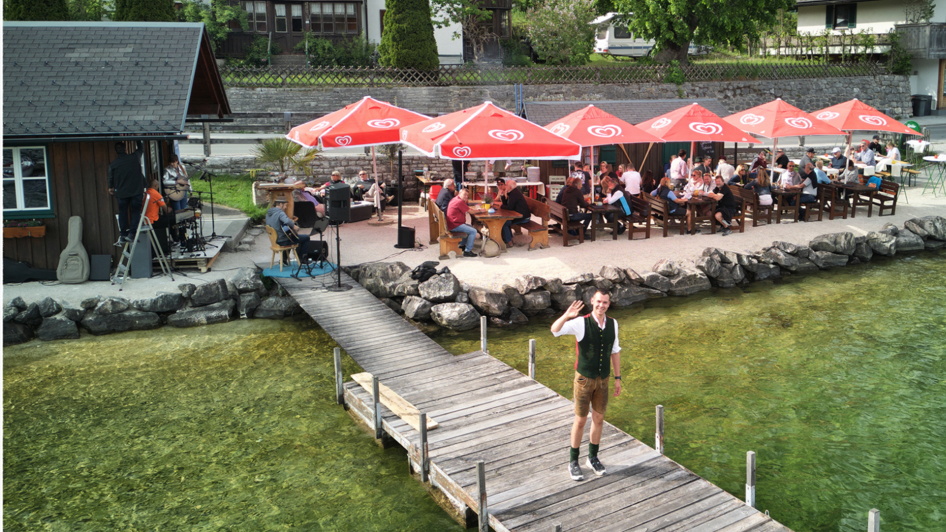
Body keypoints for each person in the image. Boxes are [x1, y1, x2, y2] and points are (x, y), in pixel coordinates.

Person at [550, 291, 621, 481]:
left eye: (605, 302)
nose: (601, 305)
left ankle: (593, 458)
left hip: (604, 379)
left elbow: (615, 351)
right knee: (580, 420)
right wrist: (566, 315)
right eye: (598, 301)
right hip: (584, 379)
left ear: (609, 303)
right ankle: (573, 461)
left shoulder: (613, 324)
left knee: (599, 419)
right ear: (592, 302)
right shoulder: (581, 322)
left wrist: (618, 378)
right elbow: (555, 330)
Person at [108, 141, 147, 245]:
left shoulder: (113, 164)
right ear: (125, 149)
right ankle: (132, 234)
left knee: (123, 213)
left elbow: (110, 177)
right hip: (136, 190)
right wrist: (138, 139)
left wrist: (110, 187)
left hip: (121, 192)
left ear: (116, 151)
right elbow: (141, 149)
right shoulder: (134, 157)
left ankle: (123, 234)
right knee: (136, 211)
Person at [497, 179, 532, 247]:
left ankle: (509, 242)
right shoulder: (512, 192)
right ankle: (510, 239)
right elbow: (507, 205)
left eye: (506, 185)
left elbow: (509, 207)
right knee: (505, 221)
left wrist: (501, 206)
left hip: (523, 217)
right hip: (519, 215)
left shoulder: (514, 194)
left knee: (504, 222)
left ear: (510, 186)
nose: (505, 186)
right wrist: (503, 195)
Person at [446, 188, 478, 257]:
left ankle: (462, 245)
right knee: (473, 231)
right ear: (459, 194)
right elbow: (471, 211)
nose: (466, 196)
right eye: (464, 194)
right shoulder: (459, 202)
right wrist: (481, 210)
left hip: (452, 223)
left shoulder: (455, 199)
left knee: (470, 227)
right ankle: (467, 251)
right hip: (455, 225)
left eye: (467, 195)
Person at [144, 179, 171, 254]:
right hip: (153, 221)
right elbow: (167, 210)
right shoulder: (156, 194)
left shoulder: (146, 193)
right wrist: (173, 209)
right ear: (156, 186)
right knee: (174, 219)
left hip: (145, 220)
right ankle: (174, 241)